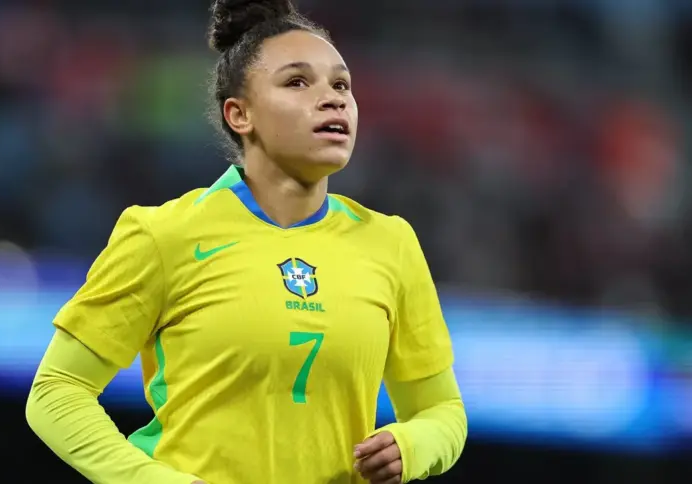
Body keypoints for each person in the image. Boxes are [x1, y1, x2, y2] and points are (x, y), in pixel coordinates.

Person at [25, 1, 467, 483]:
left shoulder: (390, 243)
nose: (333, 99)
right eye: (297, 82)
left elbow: (442, 410)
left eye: (341, 85)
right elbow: (57, 390)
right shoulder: (164, 234)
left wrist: (413, 445)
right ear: (240, 114)